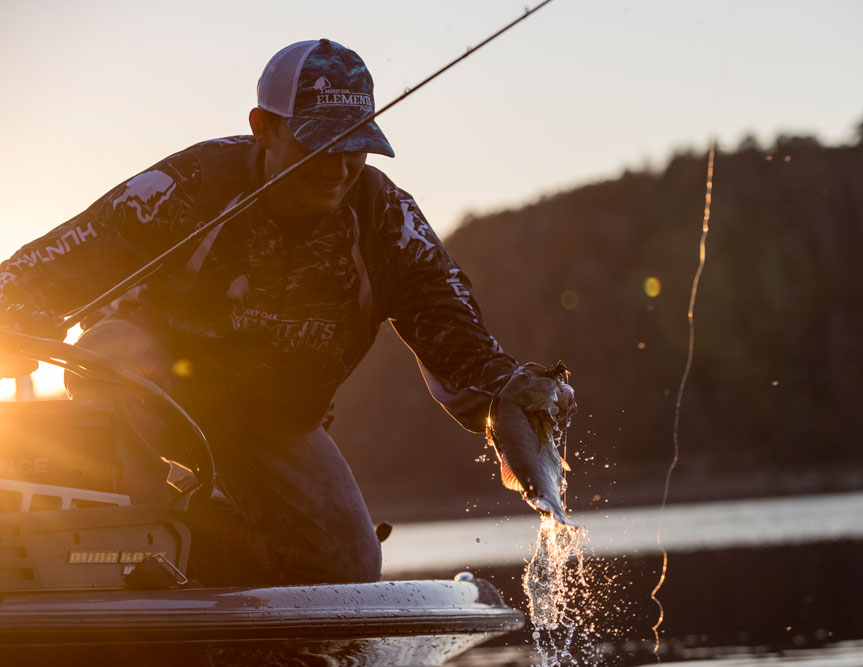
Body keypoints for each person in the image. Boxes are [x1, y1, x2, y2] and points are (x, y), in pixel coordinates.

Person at [0, 39, 539, 585]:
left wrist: (514, 390)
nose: (338, 166)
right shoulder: (187, 186)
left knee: (349, 566)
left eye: (356, 144)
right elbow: (46, 265)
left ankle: (200, 549)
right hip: (155, 394)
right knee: (110, 349)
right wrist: (13, 319)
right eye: (318, 143)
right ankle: (134, 546)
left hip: (277, 420)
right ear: (264, 127)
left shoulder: (387, 220)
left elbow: (458, 337)